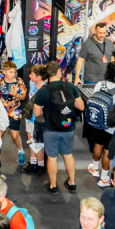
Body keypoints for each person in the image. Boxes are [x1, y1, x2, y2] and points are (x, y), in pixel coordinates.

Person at [33, 61, 84, 194]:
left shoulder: (43, 91)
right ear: (59, 72)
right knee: (68, 155)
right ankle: (72, 183)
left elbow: (36, 113)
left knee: (52, 157)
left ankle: (53, 186)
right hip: (68, 127)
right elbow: (81, 107)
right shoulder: (70, 86)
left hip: (50, 129)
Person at [0, 62, 28, 168]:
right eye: (10, 72)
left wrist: (16, 94)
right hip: (1, 112)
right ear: (4, 72)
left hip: (15, 112)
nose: (13, 74)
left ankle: (21, 152)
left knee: (15, 135)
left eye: (14, 72)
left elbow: (23, 96)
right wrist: (3, 103)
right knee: (0, 134)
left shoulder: (19, 81)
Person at [22, 65, 47, 176]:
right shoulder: (32, 84)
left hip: (37, 121)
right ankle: (33, 163)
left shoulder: (45, 90)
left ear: (39, 76)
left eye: (32, 74)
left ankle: (41, 165)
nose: (29, 76)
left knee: (36, 144)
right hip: (29, 117)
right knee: (30, 140)